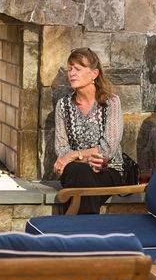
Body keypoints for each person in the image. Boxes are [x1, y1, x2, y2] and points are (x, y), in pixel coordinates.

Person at [52, 48, 125, 215]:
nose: (72, 73)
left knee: (80, 179)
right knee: (81, 172)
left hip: (107, 169)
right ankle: (89, 226)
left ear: (94, 73)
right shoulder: (63, 105)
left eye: (78, 69)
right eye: (70, 69)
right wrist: (82, 159)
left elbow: (108, 149)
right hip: (75, 169)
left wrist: (73, 155)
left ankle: (78, 225)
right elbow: (61, 149)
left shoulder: (111, 102)